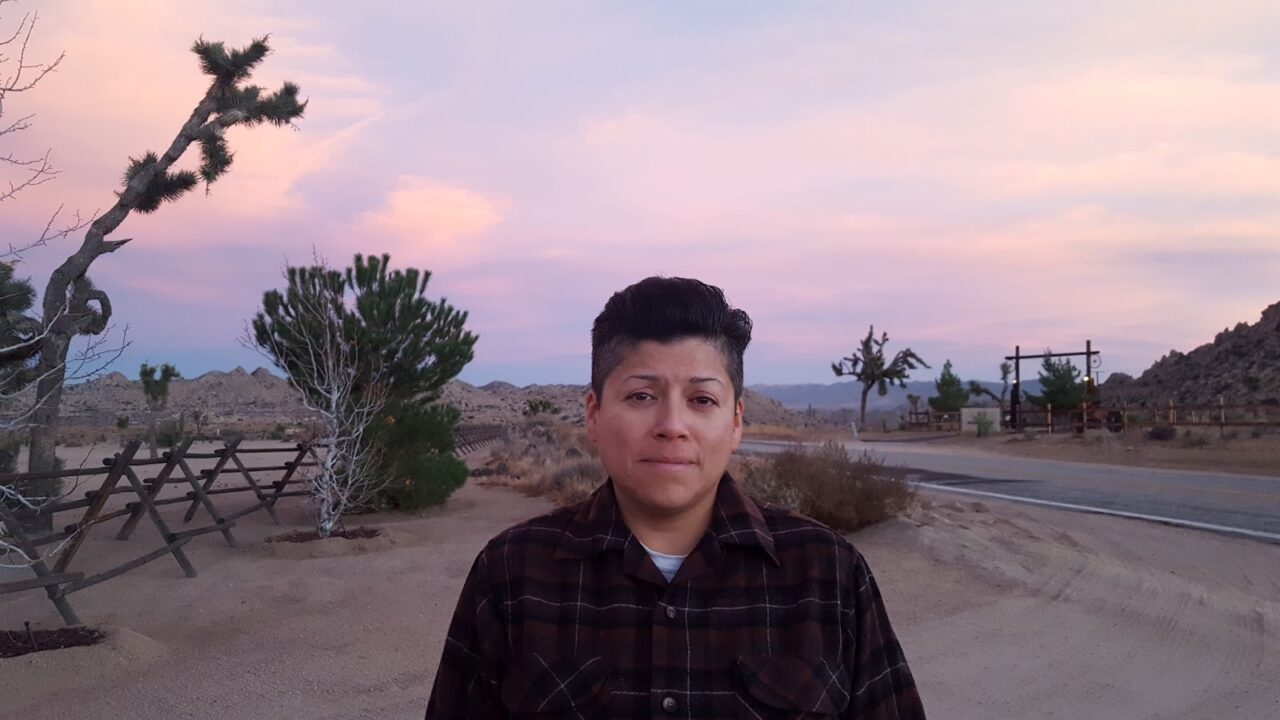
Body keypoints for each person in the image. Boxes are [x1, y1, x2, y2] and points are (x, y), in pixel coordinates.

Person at [425, 276, 924, 719]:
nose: (671, 426)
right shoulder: (511, 573)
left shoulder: (828, 574)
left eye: (702, 400)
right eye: (641, 396)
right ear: (594, 415)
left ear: (735, 422)